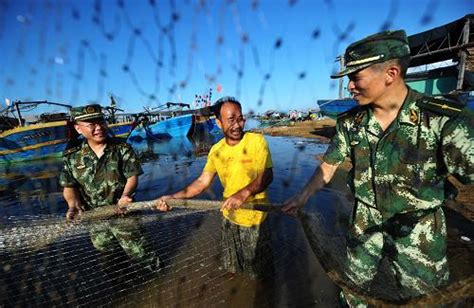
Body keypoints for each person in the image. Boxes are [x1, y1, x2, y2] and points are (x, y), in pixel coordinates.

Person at [282, 30, 473, 306]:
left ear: (391, 73)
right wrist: (302, 197)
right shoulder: (351, 123)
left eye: (355, 77)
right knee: (352, 294)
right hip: (364, 225)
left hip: (418, 234)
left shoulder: (443, 121)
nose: (349, 86)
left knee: (425, 301)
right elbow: (329, 165)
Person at [155, 96, 274, 278]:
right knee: (231, 266)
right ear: (218, 123)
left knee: (256, 271)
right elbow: (202, 182)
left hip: (254, 218)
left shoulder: (257, 141)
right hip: (229, 215)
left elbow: (266, 176)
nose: (237, 125)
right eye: (231, 120)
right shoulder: (216, 150)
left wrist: (243, 194)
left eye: (240, 118)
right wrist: (174, 198)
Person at [59, 104, 159, 272]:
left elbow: (132, 177)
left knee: (143, 255)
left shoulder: (121, 148)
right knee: (111, 261)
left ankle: (160, 281)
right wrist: (72, 204)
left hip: (124, 214)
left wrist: (126, 196)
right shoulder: (71, 156)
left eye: (101, 122)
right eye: (91, 124)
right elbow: (69, 186)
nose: (99, 128)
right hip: (96, 219)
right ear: (78, 128)